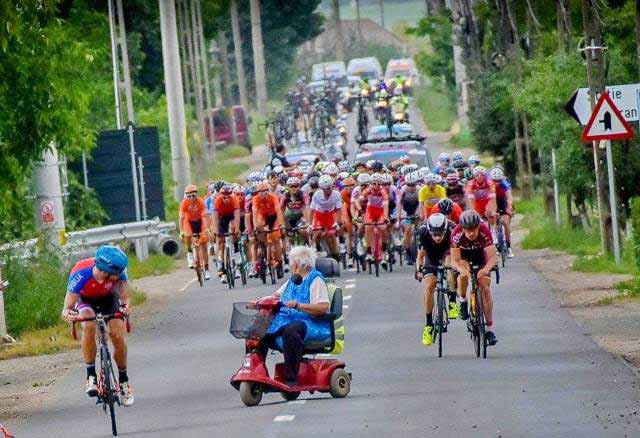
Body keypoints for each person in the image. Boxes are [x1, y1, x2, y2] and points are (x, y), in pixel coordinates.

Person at [61, 245, 134, 406]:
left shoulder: (120, 274)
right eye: (112, 275)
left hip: (110, 300)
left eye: (116, 276)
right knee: (88, 324)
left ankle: (123, 380)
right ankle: (91, 375)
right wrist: (67, 313)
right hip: (86, 301)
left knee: (117, 335)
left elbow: (124, 297)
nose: (115, 278)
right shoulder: (81, 273)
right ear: (103, 270)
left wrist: (126, 306)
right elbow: (68, 306)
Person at [257, 246, 331, 385]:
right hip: (286, 319)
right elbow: (275, 296)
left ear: (296, 264)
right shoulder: (292, 280)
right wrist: (259, 302)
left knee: (291, 331)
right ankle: (256, 371)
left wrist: (299, 305)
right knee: (258, 327)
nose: (290, 264)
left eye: (291, 261)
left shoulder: (315, 279)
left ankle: (291, 378)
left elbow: (323, 307)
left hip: (309, 323)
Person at [450, 210, 498, 346]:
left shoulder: (484, 231)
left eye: (473, 229)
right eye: (467, 230)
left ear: (478, 226)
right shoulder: (456, 233)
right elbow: (455, 260)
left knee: (485, 290)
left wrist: (485, 270)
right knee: (464, 274)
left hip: (480, 256)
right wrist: (461, 270)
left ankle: (489, 329)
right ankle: (463, 300)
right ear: (463, 228)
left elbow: (493, 256)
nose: (471, 233)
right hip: (464, 256)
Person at [415, 214, 458, 346]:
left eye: (440, 234)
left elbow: (457, 254)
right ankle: (428, 325)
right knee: (430, 286)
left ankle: (452, 302)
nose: (438, 237)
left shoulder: (452, 230)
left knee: (451, 269)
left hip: (447, 252)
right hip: (431, 255)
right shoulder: (422, 232)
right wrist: (419, 270)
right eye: (435, 234)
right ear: (429, 231)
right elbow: (420, 257)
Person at [252, 182, 286, 277]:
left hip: (273, 217)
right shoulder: (255, 199)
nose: (263, 194)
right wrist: (255, 227)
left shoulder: (273, 197)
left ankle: (279, 264)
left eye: (266, 191)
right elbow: (254, 214)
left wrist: (282, 225)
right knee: (259, 226)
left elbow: (279, 212)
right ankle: (263, 246)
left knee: (275, 238)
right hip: (262, 216)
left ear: (268, 191)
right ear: (258, 193)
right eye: (261, 192)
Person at [212, 185, 241, 283]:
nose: (227, 199)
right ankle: (222, 264)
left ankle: (236, 250)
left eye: (229, 196)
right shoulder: (218, 201)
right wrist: (215, 230)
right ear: (221, 196)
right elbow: (215, 218)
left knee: (234, 229)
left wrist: (237, 228)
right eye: (224, 197)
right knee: (221, 241)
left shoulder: (234, 200)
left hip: (232, 216)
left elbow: (237, 216)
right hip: (221, 218)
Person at [179, 184, 210, 277]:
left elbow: (205, 215)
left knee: (204, 244)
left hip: (200, 221)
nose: (192, 198)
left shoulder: (200, 202)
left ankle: (207, 269)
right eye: (189, 196)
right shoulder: (184, 203)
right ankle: (190, 254)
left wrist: (207, 228)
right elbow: (181, 217)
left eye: (194, 196)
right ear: (186, 197)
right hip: (189, 222)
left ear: (197, 195)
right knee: (187, 236)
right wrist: (181, 231)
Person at [310, 175, 342, 260]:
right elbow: (311, 210)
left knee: (331, 234)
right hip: (319, 215)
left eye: (330, 187)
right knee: (317, 234)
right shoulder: (317, 195)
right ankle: (318, 247)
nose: (329, 190)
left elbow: (339, 210)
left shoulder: (336, 194)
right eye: (326, 188)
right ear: (322, 189)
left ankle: (335, 253)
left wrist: (338, 222)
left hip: (330, 215)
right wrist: (310, 224)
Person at [490, 167, 515, 258]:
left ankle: (508, 246)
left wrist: (509, 207)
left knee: (505, 221)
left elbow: (509, 197)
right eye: (495, 181)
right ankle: (495, 243)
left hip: (503, 203)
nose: (497, 183)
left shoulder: (505, 183)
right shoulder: (488, 184)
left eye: (499, 181)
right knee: (493, 221)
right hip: (493, 203)